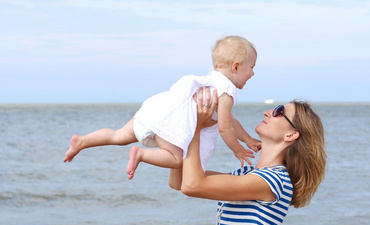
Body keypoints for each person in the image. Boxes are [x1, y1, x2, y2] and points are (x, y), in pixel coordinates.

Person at [177, 87, 326, 225]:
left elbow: (192, 186)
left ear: (291, 134)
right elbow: (179, 181)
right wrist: (190, 125)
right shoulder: (245, 174)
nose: (268, 112)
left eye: (279, 111)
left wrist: (195, 128)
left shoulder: (275, 181)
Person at [63, 36, 261, 180]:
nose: (252, 73)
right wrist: (238, 150)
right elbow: (225, 127)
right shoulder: (226, 91)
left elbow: (232, 121)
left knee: (118, 136)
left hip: (156, 111)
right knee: (176, 160)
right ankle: (141, 155)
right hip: (170, 124)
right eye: (251, 67)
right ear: (235, 67)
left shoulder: (209, 81)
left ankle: (82, 141)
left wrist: (247, 138)